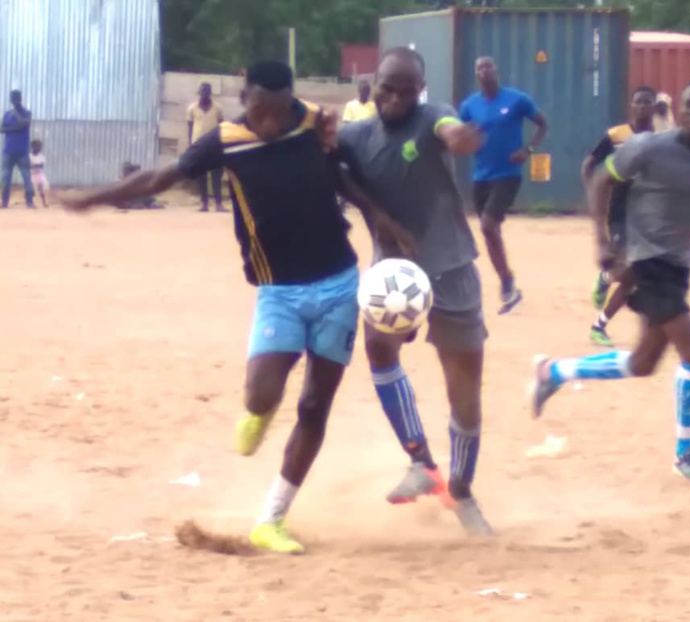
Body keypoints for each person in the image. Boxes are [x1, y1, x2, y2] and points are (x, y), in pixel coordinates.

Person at [58, 60, 412, 555]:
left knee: (314, 405)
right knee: (260, 394)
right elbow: (160, 178)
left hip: (337, 282)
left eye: (279, 112)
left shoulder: (312, 123)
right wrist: (94, 198)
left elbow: (339, 179)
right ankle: (260, 413)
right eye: (261, 112)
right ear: (245, 100)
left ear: (292, 102)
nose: (270, 123)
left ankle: (272, 519)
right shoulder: (224, 140)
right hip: (278, 292)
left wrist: (378, 215)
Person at [529, 77, 690, 482]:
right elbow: (599, 179)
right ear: (679, 109)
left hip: (679, 263)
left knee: (643, 363)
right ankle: (685, 450)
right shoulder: (650, 147)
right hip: (644, 258)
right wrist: (604, 241)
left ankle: (553, 372)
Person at [338, 47, 494, 536]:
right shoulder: (355, 136)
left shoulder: (433, 117)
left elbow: (450, 132)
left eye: (407, 89)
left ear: (420, 90)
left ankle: (462, 492)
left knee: (464, 390)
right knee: (378, 349)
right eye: (388, 87)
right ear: (373, 83)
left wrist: (462, 138)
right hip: (392, 273)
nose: (396, 98)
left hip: (451, 268)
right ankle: (421, 461)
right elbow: (323, 162)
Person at [459, 56, 548, 314]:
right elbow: (461, 133)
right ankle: (507, 282)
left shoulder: (516, 100)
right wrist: (465, 142)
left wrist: (528, 149)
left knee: (488, 224)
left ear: (496, 69)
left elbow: (542, 123)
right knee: (488, 232)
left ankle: (507, 283)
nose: (484, 70)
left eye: (488, 65)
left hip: (509, 173)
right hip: (481, 176)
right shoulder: (469, 106)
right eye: (479, 67)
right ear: (476, 74)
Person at [582, 85, 657, 347]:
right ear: (631, 105)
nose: (642, 106)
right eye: (638, 101)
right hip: (618, 212)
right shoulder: (616, 136)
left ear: (654, 107)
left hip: (646, 217)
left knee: (634, 274)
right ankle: (599, 326)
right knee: (630, 272)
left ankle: (605, 284)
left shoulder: (658, 140)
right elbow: (589, 164)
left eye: (647, 102)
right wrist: (592, 193)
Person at [187, 82, 227, 213]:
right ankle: (204, 203)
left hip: (215, 145)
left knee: (216, 175)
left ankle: (218, 204)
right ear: (199, 93)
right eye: (202, 92)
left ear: (210, 93)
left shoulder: (218, 108)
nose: (204, 94)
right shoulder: (192, 108)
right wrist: (191, 145)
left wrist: (222, 143)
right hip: (198, 145)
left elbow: (222, 126)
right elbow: (190, 127)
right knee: (201, 176)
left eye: (206, 92)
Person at [1, 90, 35, 209]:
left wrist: (15, 117)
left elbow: (24, 124)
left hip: (22, 152)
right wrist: (16, 128)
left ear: (20, 99)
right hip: (8, 152)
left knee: (27, 178)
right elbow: (1, 129)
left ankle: (30, 202)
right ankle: (4, 202)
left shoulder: (27, 113)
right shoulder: (7, 114)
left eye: (16, 99)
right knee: (5, 179)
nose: (15, 101)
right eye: (13, 99)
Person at [29, 140, 49, 207]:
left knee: (41, 189)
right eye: (36, 147)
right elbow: (29, 165)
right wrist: (36, 165)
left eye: (39, 147)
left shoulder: (41, 156)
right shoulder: (29, 156)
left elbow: (41, 165)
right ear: (32, 147)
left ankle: (44, 202)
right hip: (32, 175)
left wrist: (34, 165)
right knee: (32, 190)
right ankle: (31, 202)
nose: (38, 149)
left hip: (40, 175)